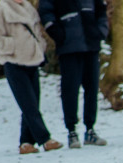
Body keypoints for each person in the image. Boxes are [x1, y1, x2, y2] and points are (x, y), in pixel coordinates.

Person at [0, 0, 63, 154]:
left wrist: (39, 47)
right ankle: (45, 139)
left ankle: (26, 143)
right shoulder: (1, 11)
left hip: (32, 62)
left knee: (32, 103)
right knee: (29, 105)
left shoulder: (29, 9)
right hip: (14, 63)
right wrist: (14, 46)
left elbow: (36, 33)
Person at [39, 0, 109, 147]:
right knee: (70, 90)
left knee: (92, 89)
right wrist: (58, 33)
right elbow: (45, 12)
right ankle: (71, 131)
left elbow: (101, 10)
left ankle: (90, 129)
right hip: (68, 48)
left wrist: (101, 31)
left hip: (91, 45)